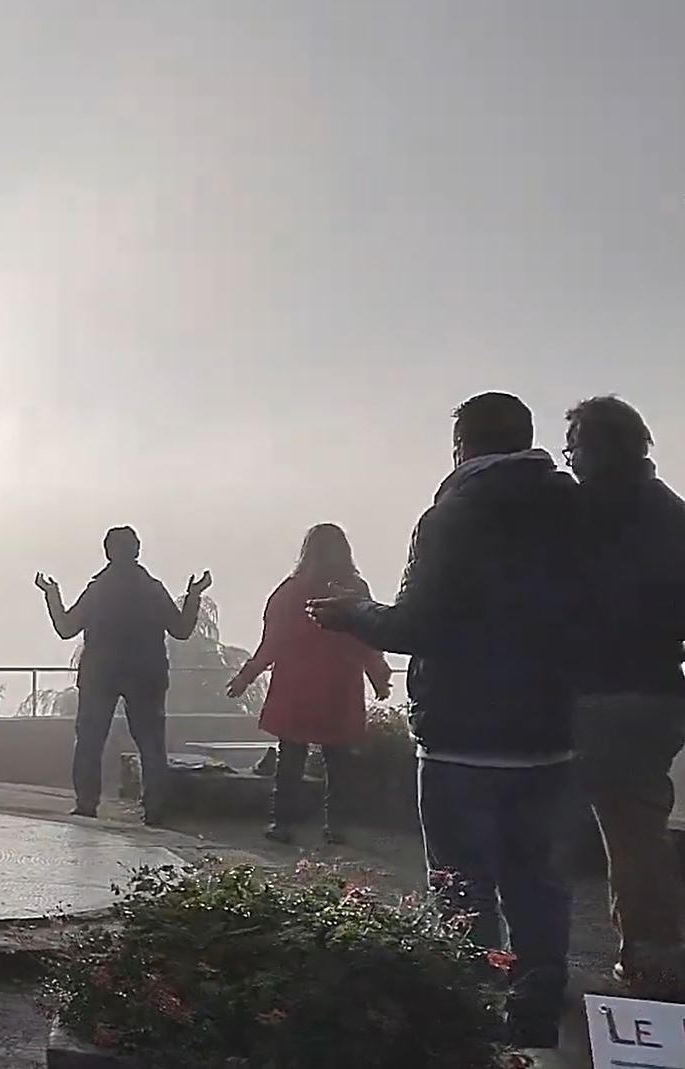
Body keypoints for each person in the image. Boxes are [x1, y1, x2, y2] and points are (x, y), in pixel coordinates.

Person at [308, 392, 579, 1050]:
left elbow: (414, 626)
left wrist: (354, 613)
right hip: (551, 734)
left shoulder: (453, 514)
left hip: (463, 735)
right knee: (539, 883)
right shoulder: (576, 508)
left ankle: (469, 1018)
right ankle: (537, 1015)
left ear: (463, 446)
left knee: (461, 888)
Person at [563, 395, 685, 997]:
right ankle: (651, 958)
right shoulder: (674, 514)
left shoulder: (576, 514)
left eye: (573, 449)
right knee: (638, 832)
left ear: (591, 448)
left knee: (539, 824)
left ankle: (532, 959)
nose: (570, 460)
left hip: (587, 689)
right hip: (657, 692)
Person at [225, 524, 392, 845]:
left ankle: (282, 824)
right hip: (339, 690)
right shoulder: (354, 591)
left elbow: (271, 644)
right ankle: (337, 826)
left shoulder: (290, 592)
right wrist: (379, 677)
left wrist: (246, 677)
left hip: (296, 690)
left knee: (290, 761)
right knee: (339, 764)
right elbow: (368, 637)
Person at [37, 528, 210, 824]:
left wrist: (52, 595)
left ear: (108, 552)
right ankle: (155, 808)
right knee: (151, 744)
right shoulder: (152, 589)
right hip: (147, 674)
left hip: (99, 674)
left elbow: (66, 628)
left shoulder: (98, 590)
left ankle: (86, 804)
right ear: (137, 550)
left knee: (90, 741)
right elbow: (181, 630)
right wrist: (193, 596)